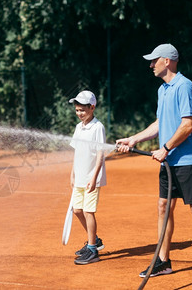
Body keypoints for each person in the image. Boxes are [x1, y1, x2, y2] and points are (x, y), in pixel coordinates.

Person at [116, 44, 192, 282]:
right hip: (169, 160)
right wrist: (134, 138)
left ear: (167, 61)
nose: (150, 65)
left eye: (154, 60)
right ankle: (163, 261)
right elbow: (160, 123)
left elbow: (188, 125)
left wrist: (165, 148)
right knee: (163, 206)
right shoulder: (163, 89)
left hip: (189, 159)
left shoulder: (184, 86)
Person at [69, 90, 107, 265]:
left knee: (88, 211)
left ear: (92, 108)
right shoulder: (79, 127)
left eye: (82, 110)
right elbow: (76, 151)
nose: (79, 114)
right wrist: (73, 172)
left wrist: (94, 176)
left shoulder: (98, 127)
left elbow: (101, 154)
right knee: (77, 210)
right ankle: (95, 240)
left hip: (92, 177)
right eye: (77, 110)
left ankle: (92, 249)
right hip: (80, 177)